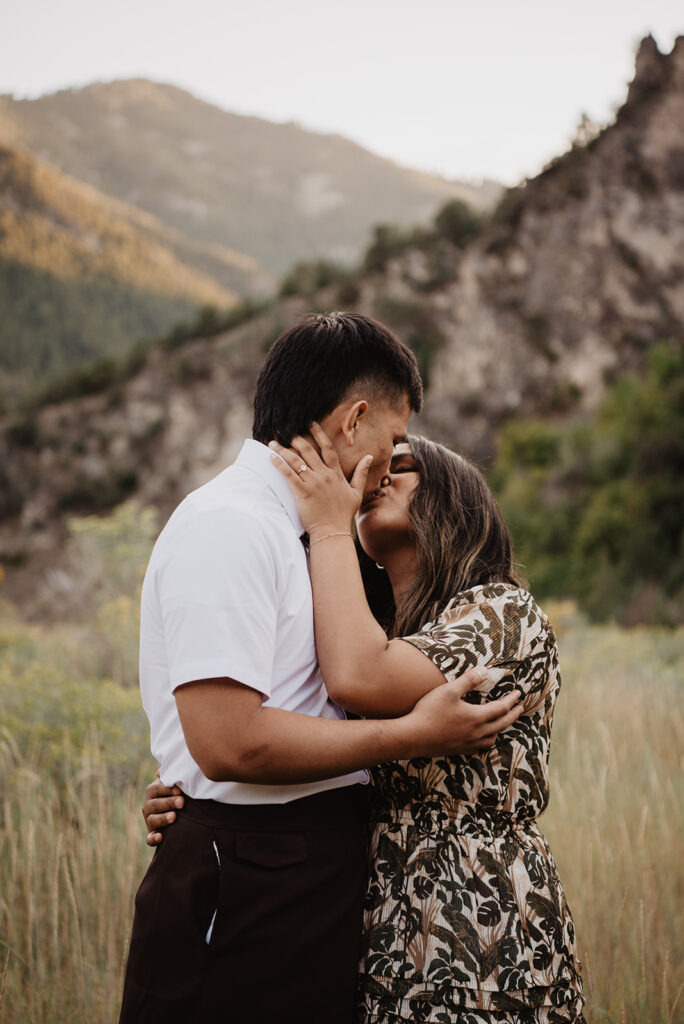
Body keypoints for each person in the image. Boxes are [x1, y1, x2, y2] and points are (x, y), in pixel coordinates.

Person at [119, 312, 524, 1024]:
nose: (395, 461)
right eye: (393, 440)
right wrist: (413, 735)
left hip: (304, 877)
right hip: (249, 880)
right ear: (353, 420)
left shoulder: (315, 540)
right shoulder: (232, 525)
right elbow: (227, 742)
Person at [145, 428, 585, 1022]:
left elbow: (358, 678)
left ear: (454, 500)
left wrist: (327, 526)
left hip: (479, 913)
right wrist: (198, 791)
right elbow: (286, 733)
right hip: (374, 923)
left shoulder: (501, 612)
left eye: (398, 466)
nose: (374, 478)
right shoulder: (371, 625)